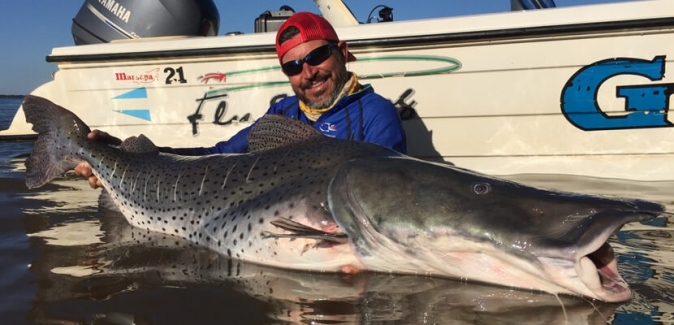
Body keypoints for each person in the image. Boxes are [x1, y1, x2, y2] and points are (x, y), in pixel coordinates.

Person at [75, 11, 407, 188]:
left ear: (344, 54)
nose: (308, 72)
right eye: (293, 66)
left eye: (318, 55)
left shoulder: (377, 115)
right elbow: (217, 156)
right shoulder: (284, 113)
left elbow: (388, 191)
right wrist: (122, 154)